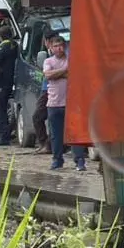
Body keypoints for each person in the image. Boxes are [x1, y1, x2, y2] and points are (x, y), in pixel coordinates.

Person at [43, 34, 83, 171]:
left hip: (71, 103)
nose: (58, 48)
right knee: (56, 135)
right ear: (51, 47)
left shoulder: (71, 60)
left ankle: (79, 161)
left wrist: (57, 74)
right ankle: (57, 160)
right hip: (53, 103)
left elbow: (75, 73)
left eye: (60, 46)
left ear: (64, 46)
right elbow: (47, 75)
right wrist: (65, 71)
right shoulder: (48, 61)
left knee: (75, 134)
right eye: (55, 46)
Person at [0, 24, 20, 146]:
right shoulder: (14, 45)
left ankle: (3, 136)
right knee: (0, 108)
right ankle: (1, 135)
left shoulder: (5, 47)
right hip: (9, 81)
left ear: (0, 36)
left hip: (1, 82)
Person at [32, 31, 58, 154]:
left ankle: (48, 145)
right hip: (46, 88)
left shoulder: (59, 55)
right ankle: (44, 143)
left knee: (51, 118)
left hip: (52, 89)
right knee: (38, 117)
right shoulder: (47, 55)